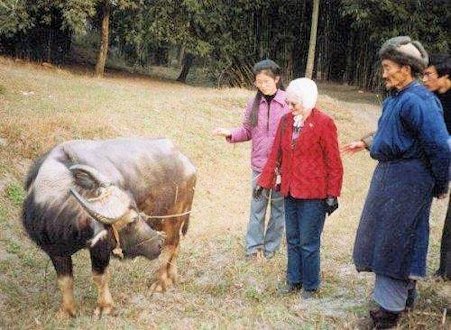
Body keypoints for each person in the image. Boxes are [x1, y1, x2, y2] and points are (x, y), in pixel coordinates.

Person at [343, 36, 450, 329]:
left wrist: (441, 184)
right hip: (390, 179)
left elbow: (441, 147)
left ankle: (390, 311)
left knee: (398, 241)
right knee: (387, 239)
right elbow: (390, 133)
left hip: (410, 182)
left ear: (405, 68)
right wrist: (365, 143)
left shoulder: (419, 100)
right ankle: (400, 298)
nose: (384, 73)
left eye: (388, 66)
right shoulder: (397, 98)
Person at [255, 78, 343, 299]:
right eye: (289, 103)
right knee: (292, 238)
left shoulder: (324, 123)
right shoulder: (286, 121)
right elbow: (276, 153)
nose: (290, 108)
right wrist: (264, 182)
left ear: (308, 102)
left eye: (294, 104)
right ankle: (293, 280)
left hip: (314, 194)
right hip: (290, 190)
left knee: (308, 241)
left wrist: (333, 194)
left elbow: (334, 162)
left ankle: (310, 286)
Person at [212, 59, 290, 259]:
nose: (262, 85)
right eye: (258, 82)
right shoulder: (253, 103)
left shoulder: (289, 103)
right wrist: (230, 133)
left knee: (278, 211)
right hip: (259, 167)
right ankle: (252, 248)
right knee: (257, 209)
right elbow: (247, 130)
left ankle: (271, 249)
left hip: (282, 169)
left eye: (266, 81)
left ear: (277, 79)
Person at [422, 53, 451, 280]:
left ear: (445, 76)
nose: (424, 79)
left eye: (429, 74)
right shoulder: (431, 100)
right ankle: (445, 269)